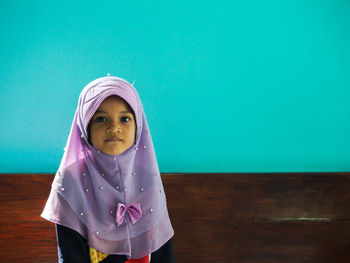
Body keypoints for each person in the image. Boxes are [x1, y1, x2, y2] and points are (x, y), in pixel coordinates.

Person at [41, 75, 175, 263]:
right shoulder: (71, 184)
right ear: (85, 125)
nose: (114, 127)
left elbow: (163, 256)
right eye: (101, 119)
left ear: (138, 126)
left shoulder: (148, 180)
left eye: (125, 119)